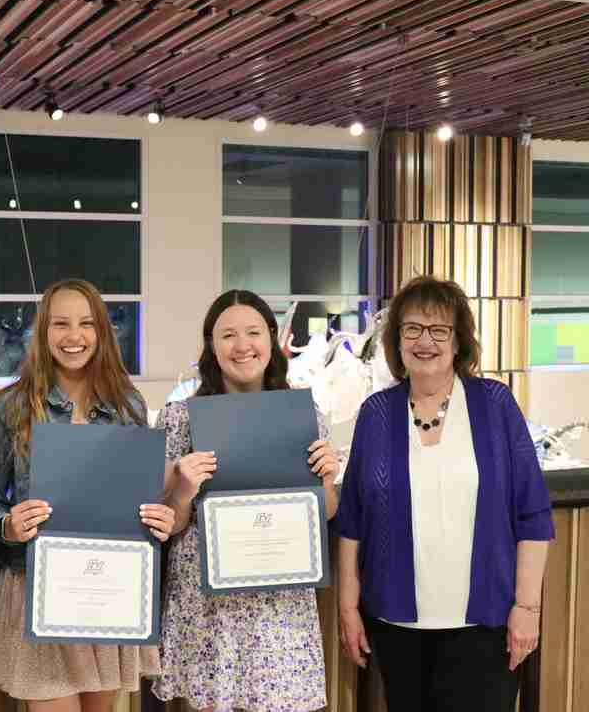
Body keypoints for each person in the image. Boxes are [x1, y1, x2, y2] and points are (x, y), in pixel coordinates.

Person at [336, 275, 554, 712]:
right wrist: (347, 607)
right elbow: (353, 520)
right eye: (412, 328)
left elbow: (532, 513)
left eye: (439, 330)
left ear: (459, 342)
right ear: (397, 341)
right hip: (396, 624)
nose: (425, 341)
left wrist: (527, 608)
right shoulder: (376, 414)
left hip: (484, 623)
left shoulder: (495, 405)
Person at [0, 278, 175, 712]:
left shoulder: (129, 407)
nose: (74, 336)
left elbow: (140, 503)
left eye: (86, 324)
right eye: (60, 324)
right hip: (38, 591)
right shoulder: (10, 408)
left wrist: (157, 518)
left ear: (102, 332)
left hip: (109, 591)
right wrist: (8, 524)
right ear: (42, 333)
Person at [152, 289, 341, 712]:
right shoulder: (180, 416)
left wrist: (327, 479)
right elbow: (171, 523)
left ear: (271, 340)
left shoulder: (304, 415)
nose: (242, 346)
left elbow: (325, 511)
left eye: (254, 332)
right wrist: (183, 488)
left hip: (279, 603)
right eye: (228, 335)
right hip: (208, 607)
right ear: (211, 345)